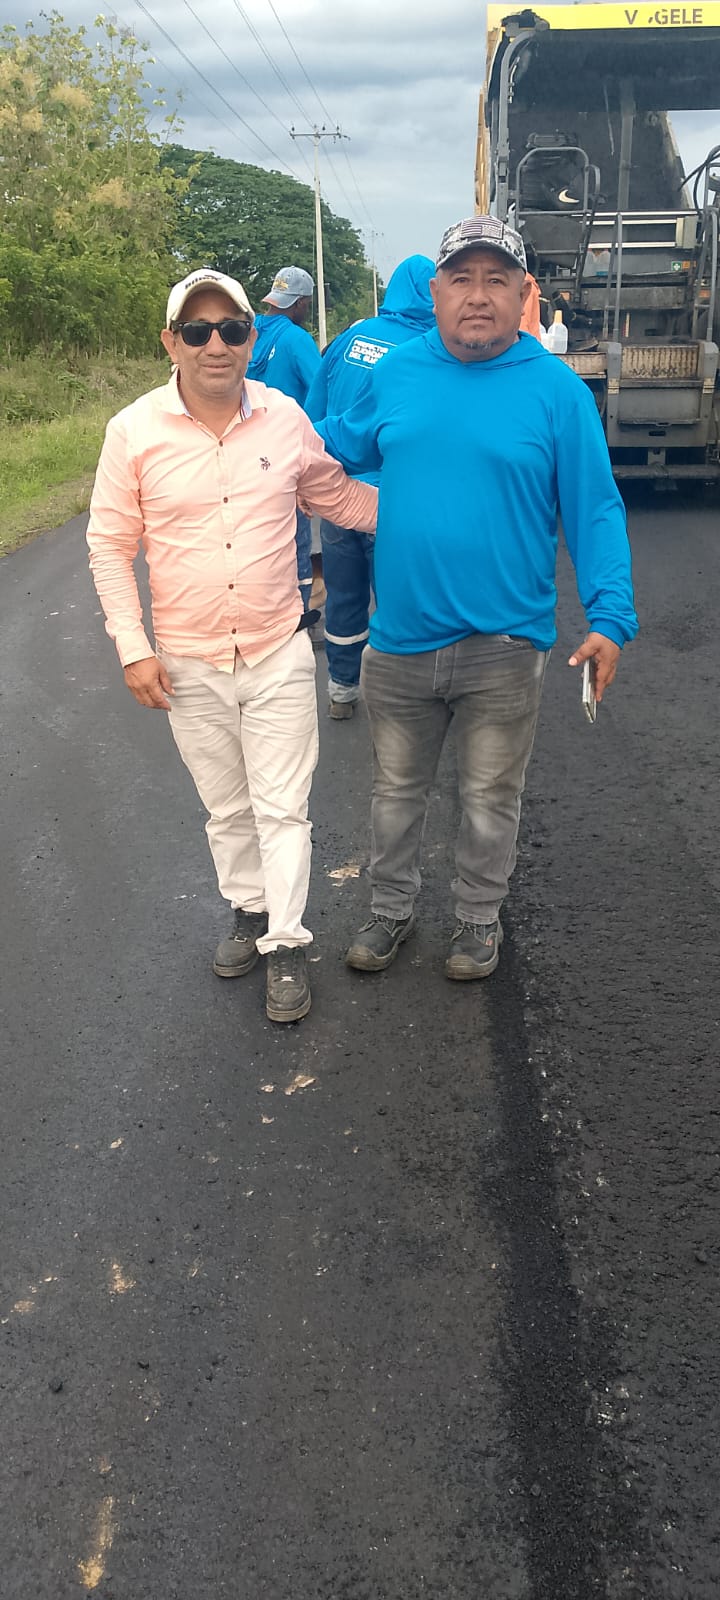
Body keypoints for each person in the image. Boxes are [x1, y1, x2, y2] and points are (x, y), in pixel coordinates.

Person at [315, 216, 638, 981]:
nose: (478, 295)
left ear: (525, 294)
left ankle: (477, 921)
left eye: (497, 279)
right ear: (436, 292)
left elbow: (595, 509)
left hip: (505, 645)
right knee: (396, 794)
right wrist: (241, 426)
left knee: (491, 798)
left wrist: (611, 617)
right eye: (462, 278)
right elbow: (334, 442)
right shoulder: (399, 373)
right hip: (400, 640)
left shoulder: (557, 393)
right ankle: (390, 910)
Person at [87, 267, 377, 1023]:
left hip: (278, 650)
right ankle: (249, 908)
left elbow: (337, 496)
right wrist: (133, 646)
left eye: (232, 329)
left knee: (283, 807)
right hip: (188, 659)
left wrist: (432, 510)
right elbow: (109, 546)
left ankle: (286, 943)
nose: (215, 345)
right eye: (198, 330)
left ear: (253, 338)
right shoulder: (133, 432)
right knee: (226, 807)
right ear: (171, 343)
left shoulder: (284, 418)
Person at [305, 255, 435, 719]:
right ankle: (401, 701)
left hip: (339, 497)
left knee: (344, 597)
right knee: (399, 603)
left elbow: (313, 416)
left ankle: (342, 689)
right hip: (396, 504)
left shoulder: (348, 338)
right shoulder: (429, 350)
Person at [247, 265, 321, 612]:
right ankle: (298, 613)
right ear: (301, 303)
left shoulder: (249, 333)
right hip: (286, 452)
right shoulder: (296, 339)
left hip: (245, 448)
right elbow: (321, 389)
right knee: (295, 539)